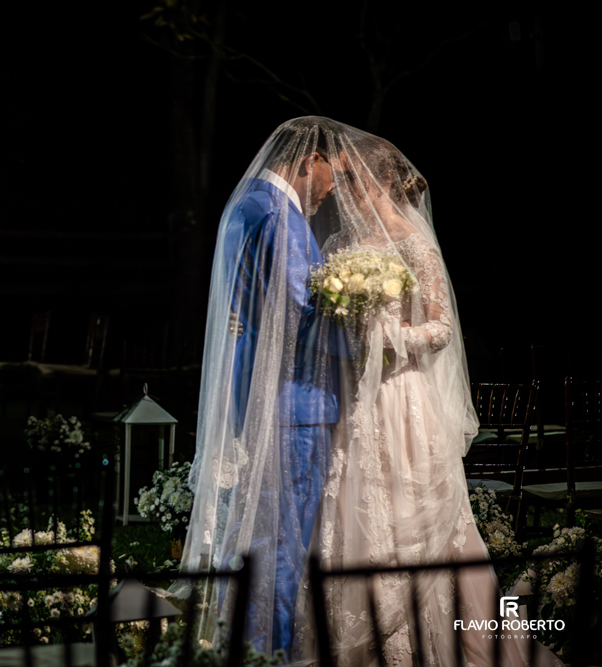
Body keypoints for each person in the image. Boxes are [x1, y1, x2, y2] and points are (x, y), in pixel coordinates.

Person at [291, 140, 560, 667]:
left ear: (380, 180)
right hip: (354, 399)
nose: (343, 188)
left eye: (352, 178)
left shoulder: (414, 241)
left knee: (417, 522)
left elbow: (441, 328)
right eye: (340, 179)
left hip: (403, 398)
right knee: (351, 511)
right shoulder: (343, 240)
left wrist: (390, 338)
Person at [178, 116, 351, 657]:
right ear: (308, 161)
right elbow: (301, 314)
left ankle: (248, 645)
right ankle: (267, 652)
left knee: (259, 538)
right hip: (293, 405)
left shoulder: (246, 204)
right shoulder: (280, 217)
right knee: (282, 544)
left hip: (259, 394)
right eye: (331, 174)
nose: (331, 190)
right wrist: (372, 341)